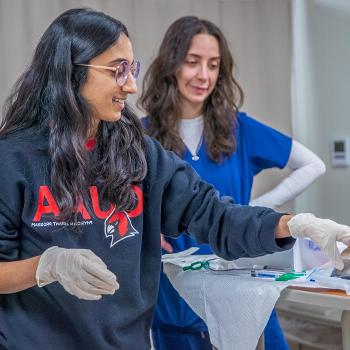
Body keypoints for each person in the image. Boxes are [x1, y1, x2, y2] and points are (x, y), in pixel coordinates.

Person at [0, 8, 348, 350]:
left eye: (131, 69)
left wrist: (296, 225)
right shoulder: (12, 159)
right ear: (70, 73)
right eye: (117, 70)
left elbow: (217, 217)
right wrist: (45, 267)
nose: (131, 85)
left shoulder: (140, 154)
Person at [138, 16, 326, 350]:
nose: (204, 76)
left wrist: (255, 210)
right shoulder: (142, 137)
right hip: (175, 306)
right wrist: (146, 231)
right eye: (193, 62)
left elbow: (313, 165)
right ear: (172, 65)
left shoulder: (239, 129)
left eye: (214, 65)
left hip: (243, 296)